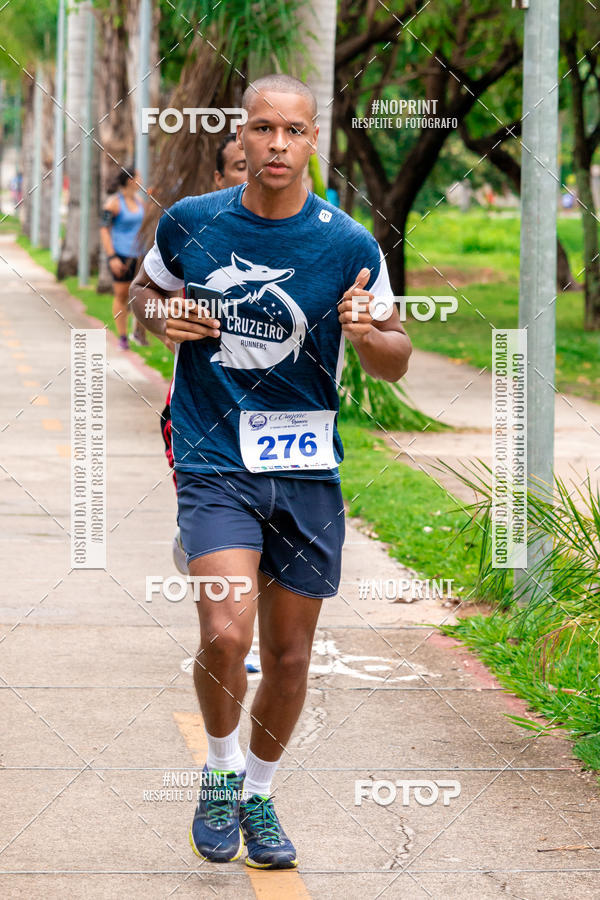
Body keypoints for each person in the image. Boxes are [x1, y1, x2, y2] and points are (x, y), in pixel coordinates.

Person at [131, 73, 411, 870]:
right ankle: (219, 776)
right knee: (227, 631)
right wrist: (164, 317)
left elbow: (396, 359)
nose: (276, 144)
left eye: (292, 130)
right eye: (262, 129)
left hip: (307, 468)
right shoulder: (192, 223)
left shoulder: (350, 244)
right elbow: (144, 297)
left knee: (290, 658)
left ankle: (259, 791)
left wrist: (367, 333)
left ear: (312, 137)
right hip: (216, 456)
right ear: (243, 137)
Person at [100, 165, 147, 351]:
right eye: (139, 178)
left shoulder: (140, 202)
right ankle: (122, 338)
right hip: (120, 256)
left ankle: (138, 333)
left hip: (139, 256)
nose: (141, 181)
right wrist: (112, 257)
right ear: (130, 180)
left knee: (140, 296)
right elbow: (104, 229)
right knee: (121, 295)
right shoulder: (113, 203)